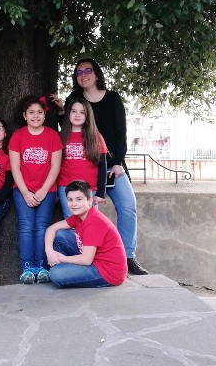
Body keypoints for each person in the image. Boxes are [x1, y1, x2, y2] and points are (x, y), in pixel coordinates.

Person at [52, 58, 148, 275]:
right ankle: (91, 258)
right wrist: (61, 112)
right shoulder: (73, 99)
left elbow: (121, 132)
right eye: (78, 72)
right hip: (85, 171)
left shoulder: (112, 98)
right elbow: (70, 129)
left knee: (128, 205)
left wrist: (118, 162)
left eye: (87, 70)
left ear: (96, 74)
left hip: (111, 166)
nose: (83, 75)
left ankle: (127, 256)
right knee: (86, 217)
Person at [9, 96, 62, 284]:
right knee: (26, 227)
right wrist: (25, 192)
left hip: (47, 190)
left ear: (45, 115)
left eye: (39, 112)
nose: (35, 116)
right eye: (31, 112)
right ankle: (27, 267)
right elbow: (15, 167)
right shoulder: (18, 136)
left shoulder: (53, 136)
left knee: (41, 227)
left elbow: (55, 166)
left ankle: (41, 266)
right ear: (24, 115)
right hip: (22, 190)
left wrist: (44, 190)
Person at [45, 180, 127, 288]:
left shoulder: (94, 222)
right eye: (70, 199)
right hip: (93, 259)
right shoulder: (79, 216)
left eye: (79, 199)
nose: (73, 204)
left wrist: (59, 258)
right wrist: (49, 252)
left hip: (108, 272)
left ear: (90, 201)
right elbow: (52, 228)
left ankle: (63, 268)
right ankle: (66, 268)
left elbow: (86, 260)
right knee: (60, 235)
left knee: (56, 274)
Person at [57, 98, 107, 218]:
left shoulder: (96, 137)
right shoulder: (61, 136)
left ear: (88, 115)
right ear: (68, 113)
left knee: (90, 222)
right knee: (71, 221)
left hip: (89, 189)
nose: (77, 115)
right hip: (66, 187)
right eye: (74, 111)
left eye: (82, 112)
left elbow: (102, 166)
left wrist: (101, 192)